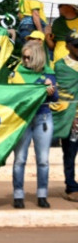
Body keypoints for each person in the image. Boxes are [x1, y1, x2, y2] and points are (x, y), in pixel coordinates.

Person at [9, 41, 58, 209]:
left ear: (37, 57)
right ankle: (18, 195)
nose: (25, 60)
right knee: (19, 159)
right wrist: (38, 87)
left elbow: (55, 98)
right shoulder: (16, 73)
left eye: (28, 57)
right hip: (23, 119)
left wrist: (50, 91)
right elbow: (12, 97)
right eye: (23, 57)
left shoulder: (48, 73)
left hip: (43, 118)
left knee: (43, 160)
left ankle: (42, 194)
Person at [55, 32, 78, 202]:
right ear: (67, 46)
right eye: (76, 45)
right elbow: (59, 93)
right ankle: (71, 187)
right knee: (69, 155)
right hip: (70, 118)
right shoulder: (60, 66)